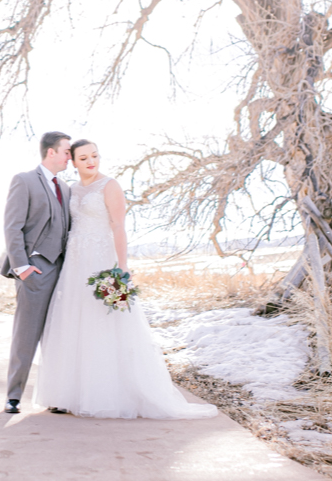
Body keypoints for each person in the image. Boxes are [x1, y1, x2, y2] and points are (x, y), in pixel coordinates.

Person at [33, 139, 216, 420]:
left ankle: (106, 393)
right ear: (73, 162)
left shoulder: (110, 186)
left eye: (95, 155)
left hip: (101, 260)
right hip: (75, 262)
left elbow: (118, 226)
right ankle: (67, 395)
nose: (91, 162)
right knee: (72, 321)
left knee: (104, 321)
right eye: (84, 158)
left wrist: (122, 266)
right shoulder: (71, 189)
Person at [1, 130, 73, 415]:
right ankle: (13, 396)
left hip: (63, 271)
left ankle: (55, 395)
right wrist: (22, 268)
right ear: (51, 152)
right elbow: (12, 226)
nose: (69, 157)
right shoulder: (24, 180)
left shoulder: (66, 188)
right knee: (26, 334)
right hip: (35, 269)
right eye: (66, 151)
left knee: (57, 336)